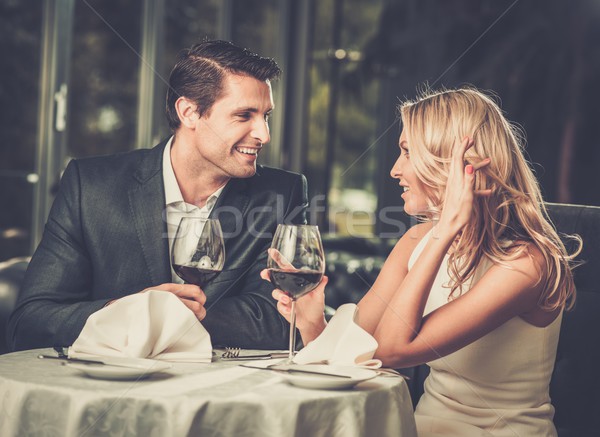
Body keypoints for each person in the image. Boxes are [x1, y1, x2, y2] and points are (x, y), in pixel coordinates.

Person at [267, 87, 581, 436]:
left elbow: (391, 351)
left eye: (406, 152)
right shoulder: (417, 240)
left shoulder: (526, 264)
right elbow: (364, 346)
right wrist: (314, 326)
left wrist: (444, 229)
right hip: (419, 426)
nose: (394, 170)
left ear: (456, 163)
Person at [8, 40, 308, 352]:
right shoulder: (90, 186)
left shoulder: (282, 193)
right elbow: (31, 322)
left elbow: (281, 320)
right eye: (245, 115)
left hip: (222, 392)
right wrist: (130, 312)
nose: (264, 134)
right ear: (189, 112)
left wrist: (164, 316)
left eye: (266, 116)